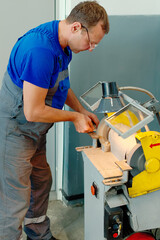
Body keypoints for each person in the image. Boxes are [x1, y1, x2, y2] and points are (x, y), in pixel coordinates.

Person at [0, 1, 109, 240]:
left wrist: (81, 109)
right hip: (16, 129)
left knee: (40, 181)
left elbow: (60, 85)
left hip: (35, 131)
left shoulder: (64, 45)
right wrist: (74, 117)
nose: (91, 48)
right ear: (77, 27)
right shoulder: (40, 50)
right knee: (14, 199)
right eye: (91, 42)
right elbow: (33, 111)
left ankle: (39, 235)